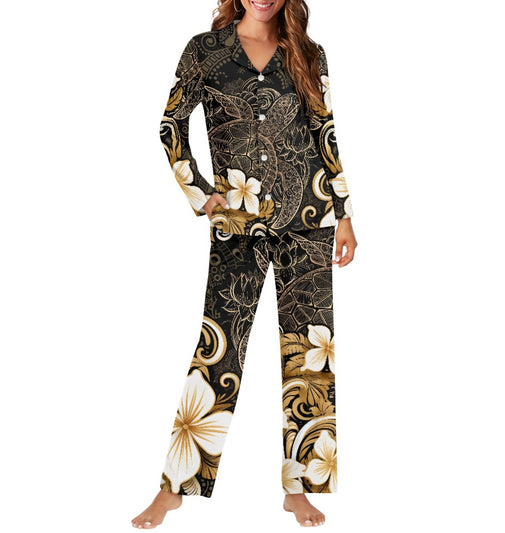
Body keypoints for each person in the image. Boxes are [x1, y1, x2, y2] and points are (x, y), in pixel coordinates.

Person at [131, 0, 358, 528]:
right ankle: (174, 487)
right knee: (219, 349)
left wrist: (344, 212)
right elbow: (170, 125)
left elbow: (324, 132)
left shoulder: (309, 53)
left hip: (309, 218)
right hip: (236, 222)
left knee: (310, 354)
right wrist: (200, 193)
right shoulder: (205, 50)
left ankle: (299, 489)